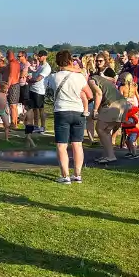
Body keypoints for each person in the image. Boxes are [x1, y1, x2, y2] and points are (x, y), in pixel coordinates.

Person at [45, 51, 93, 184]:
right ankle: (77, 174)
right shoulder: (79, 77)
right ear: (71, 61)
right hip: (78, 111)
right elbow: (89, 95)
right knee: (77, 144)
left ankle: (65, 175)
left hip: (62, 110)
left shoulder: (54, 77)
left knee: (61, 145)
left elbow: (48, 89)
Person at [27, 50, 52, 134]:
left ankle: (43, 127)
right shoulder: (40, 66)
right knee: (34, 109)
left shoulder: (46, 67)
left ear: (45, 56)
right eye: (38, 56)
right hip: (33, 89)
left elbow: (39, 78)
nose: (39, 57)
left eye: (40, 56)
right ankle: (36, 126)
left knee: (40, 109)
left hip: (39, 90)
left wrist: (30, 81)